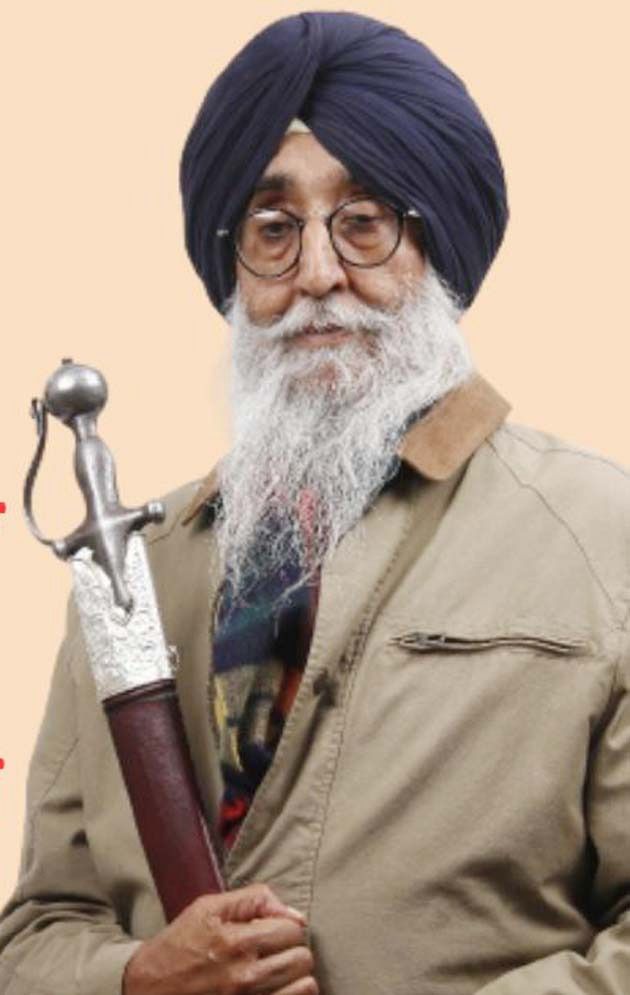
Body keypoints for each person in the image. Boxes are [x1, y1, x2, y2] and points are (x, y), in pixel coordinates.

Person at [2, 10, 630, 995]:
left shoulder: (602, 534)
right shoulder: (132, 573)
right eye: (273, 229)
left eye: (365, 222)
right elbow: (38, 930)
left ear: (438, 248)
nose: (319, 274)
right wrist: (138, 975)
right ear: (233, 268)